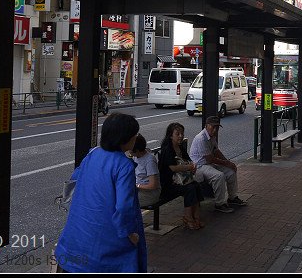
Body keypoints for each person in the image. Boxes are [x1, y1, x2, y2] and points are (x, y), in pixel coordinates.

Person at [54, 112, 146, 272]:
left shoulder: (92, 154)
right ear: (125, 138)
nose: (136, 138)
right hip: (107, 244)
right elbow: (124, 207)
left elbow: (74, 181)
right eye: (134, 134)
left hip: (77, 235)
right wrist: (130, 235)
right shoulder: (124, 166)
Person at [189, 116, 247, 213]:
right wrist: (226, 163)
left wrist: (228, 163)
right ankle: (219, 204)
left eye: (217, 127)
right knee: (219, 176)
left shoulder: (212, 136)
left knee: (231, 171)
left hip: (209, 164)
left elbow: (216, 151)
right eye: (213, 126)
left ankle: (232, 197)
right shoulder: (201, 138)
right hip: (199, 166)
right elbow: (209, 159)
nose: (215, 129)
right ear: (206, 126)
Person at [158, 122, 205, 230]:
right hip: (169, 184)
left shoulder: (180, 148)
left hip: (182, 180)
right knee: (190, 188)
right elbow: (173, 168)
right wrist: (189, 167)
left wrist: (193, 166)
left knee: (196, 186)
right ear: (170, 135)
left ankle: (196, 216)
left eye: (182, 133)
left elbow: (188, 161)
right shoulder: (167, 150)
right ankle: (188, 218)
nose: (181, 136)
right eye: (177, 134)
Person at [130, 133, 161, 207]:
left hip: (150, 193)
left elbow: (153, 185)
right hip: (139, 190)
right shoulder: (136, 157)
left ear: (137, 150)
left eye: (130, 150)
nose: (128, 151)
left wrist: (137, 185)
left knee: (126, 202)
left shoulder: (149, 161)